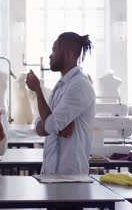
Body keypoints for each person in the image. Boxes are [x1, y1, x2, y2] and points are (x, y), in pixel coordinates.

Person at [26, 32, 95, 175]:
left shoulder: (79, 85)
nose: (50, 55)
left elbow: (50, 125)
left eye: (54, 50)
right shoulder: (60, 86)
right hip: (51, 173)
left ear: (70, 53)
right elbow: (39, 127)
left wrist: (38, 90)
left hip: (70, 176)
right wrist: (56, 125)